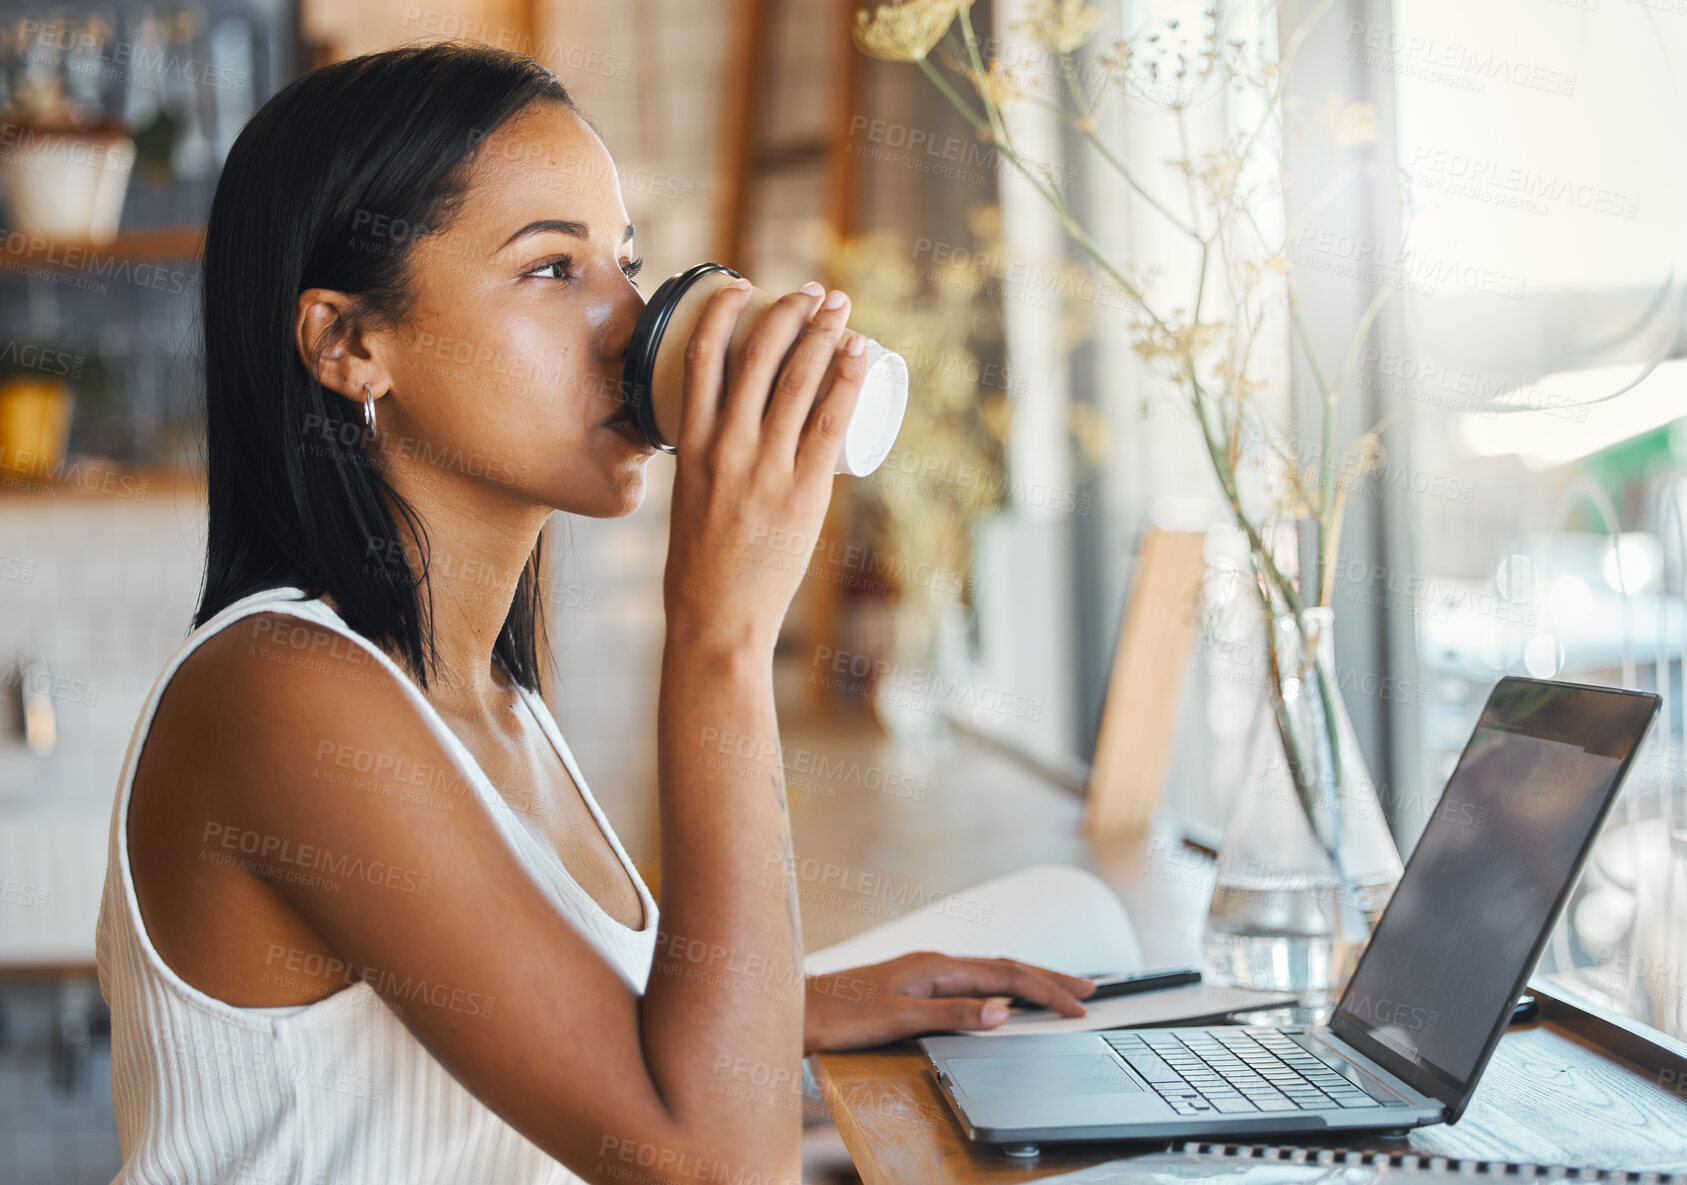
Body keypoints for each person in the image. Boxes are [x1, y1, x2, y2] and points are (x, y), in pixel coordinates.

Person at [94, 40, 1094, 1185]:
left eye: (625, 263)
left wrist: (792, 1013)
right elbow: (714, 1166)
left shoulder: (495, 697)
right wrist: (721, 636)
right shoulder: (281, 693)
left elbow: (527, 1046)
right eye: (551, 270)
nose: (630, 323)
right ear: (349, 344)